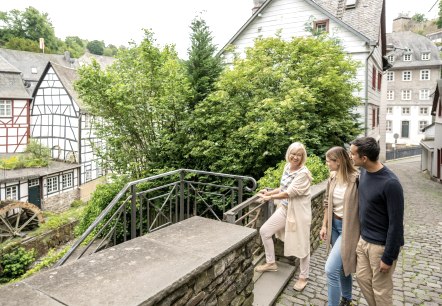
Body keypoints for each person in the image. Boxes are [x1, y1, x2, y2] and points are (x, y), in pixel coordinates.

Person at [349, 137, 404, 306]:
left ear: (364, 158)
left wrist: (388, 257)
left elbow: (396, 224)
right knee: (362, 279)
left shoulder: (390, 183)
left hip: (380, 247)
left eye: (352, 154)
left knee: (381, 290)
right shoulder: (363, 172)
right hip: (363, 241)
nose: (350, 156)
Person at [255, 142, 313, 292]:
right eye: (293, 154)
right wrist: (269, 193)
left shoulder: (303, 174)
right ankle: (271, 263)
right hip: (285, 209)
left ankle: (303, 277)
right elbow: (283, 187)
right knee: (265, 231)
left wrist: (269, 198)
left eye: (299, 155)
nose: (295, 157)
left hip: (298, 213)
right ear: (289, 153)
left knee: (302, 244)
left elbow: (289, 192)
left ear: (302, 157)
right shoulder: (287, 167)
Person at [320, 147, 360, 306]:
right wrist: (324, 225)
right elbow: (326, 203)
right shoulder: (332, 178)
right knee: (343, 267)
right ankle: (347, 298)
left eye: (329, 160)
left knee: (330, 270)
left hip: (348, 229)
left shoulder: (356, 180)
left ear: (339, 161)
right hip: (334, 227)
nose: (326, 163)